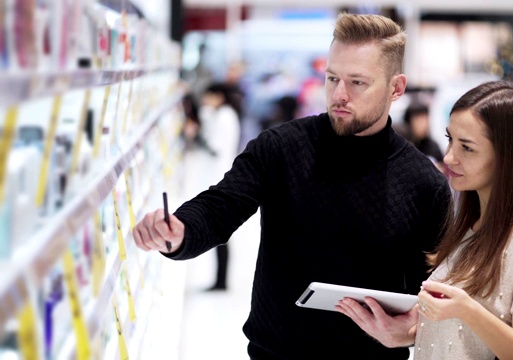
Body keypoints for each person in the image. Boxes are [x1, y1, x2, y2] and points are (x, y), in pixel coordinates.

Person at [132, 12, 450, 360]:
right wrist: (180, 229)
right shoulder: (280, 148)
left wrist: (413, 330)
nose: (339, 95)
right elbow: (223, 203)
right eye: (332, 78)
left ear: (396, 88)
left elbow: (435, 292)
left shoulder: (425, 184)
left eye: (357, 82)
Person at [336, 80, 513, 360]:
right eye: (450, 140)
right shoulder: (469, 229)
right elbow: (468, 340)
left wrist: (468, 310)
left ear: (509, 156)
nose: (449, 157)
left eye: (467, 148)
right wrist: (410, 332)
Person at [185, 82, 242, 291]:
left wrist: (196, 136)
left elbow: (215, 148)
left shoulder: (225, 116)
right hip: (218, 177)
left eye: (208, 96)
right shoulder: (221, 114)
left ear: (218, 96)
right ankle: (219, 280)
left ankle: (221, 281)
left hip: (221, 179)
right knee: (220, 233)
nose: (205, 100)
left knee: (221, 234)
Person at [401, 102, 445, 172]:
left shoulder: (432, 146)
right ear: (408, 121)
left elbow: (442, 169)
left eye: (426, 119)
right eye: (419, 120)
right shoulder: (401, 145)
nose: (424, 124)